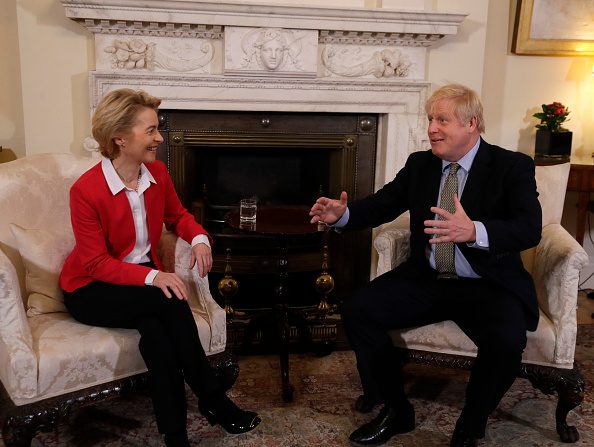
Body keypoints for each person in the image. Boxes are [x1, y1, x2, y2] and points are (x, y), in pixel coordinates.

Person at [309, 83, 542, 447]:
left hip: (487, 283)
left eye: (443, 120)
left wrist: (474, 231)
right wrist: (344, 215)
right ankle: (396, 408)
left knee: (508, 341)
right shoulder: (421, 165)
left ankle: (471, 423)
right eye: (430, 119)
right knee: (358, 310)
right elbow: (382, 205)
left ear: (472, 124)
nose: (432, 128)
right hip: (429, 277)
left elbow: (529, 228)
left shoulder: (511, 166)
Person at [59, 88, 261, 447]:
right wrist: (154, 276)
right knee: (167, 299)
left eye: (158, 128)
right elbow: (95, 263)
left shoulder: (156, 174)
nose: (159, 137)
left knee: (157, 334)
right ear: (119, 138)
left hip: (138, 288)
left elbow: (179, 216)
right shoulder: (86, 191)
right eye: (150, 130)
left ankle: (174, 433)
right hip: (90, 288)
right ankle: (214, 401)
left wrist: (198, 238)